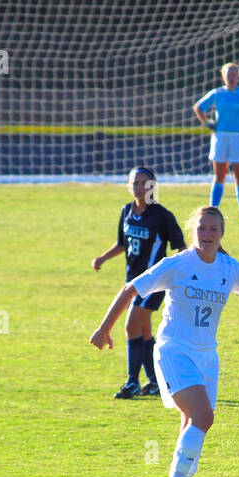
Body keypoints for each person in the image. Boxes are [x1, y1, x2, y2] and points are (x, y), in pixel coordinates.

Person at [90, 206, 239, 477]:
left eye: (213, 229)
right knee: (204, 418)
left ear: (222, 233)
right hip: (174, 350)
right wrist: (104, 328)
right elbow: (131, 289)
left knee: (193, 427)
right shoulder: (177, 264)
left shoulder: (229, 268)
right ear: (194, 231)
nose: (207, 234)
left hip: (208, 358)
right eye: (202, 228)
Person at [90, 167, 185, 398]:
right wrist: (103, 257)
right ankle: (154, 382)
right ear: (128, 186)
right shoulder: (126, 211)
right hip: (132, 282)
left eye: (145, 183)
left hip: (154, 282)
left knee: (131, 326)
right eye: (135, 183)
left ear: (153, 186)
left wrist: (184, 277)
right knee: (142, 332)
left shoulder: (162, 215)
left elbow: (181, 248)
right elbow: (122, 244)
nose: (140, 188)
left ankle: (132, 382)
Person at [193, 62, 239, 221]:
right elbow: (198, 107)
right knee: (219, 175)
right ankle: (213, 210)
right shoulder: (217, 93)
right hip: (220, 137)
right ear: (223, 76)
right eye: (228, 74)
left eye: (234, 74)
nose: (231, 77)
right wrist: (207, 122)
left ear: (238, 76)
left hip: (238, 138)